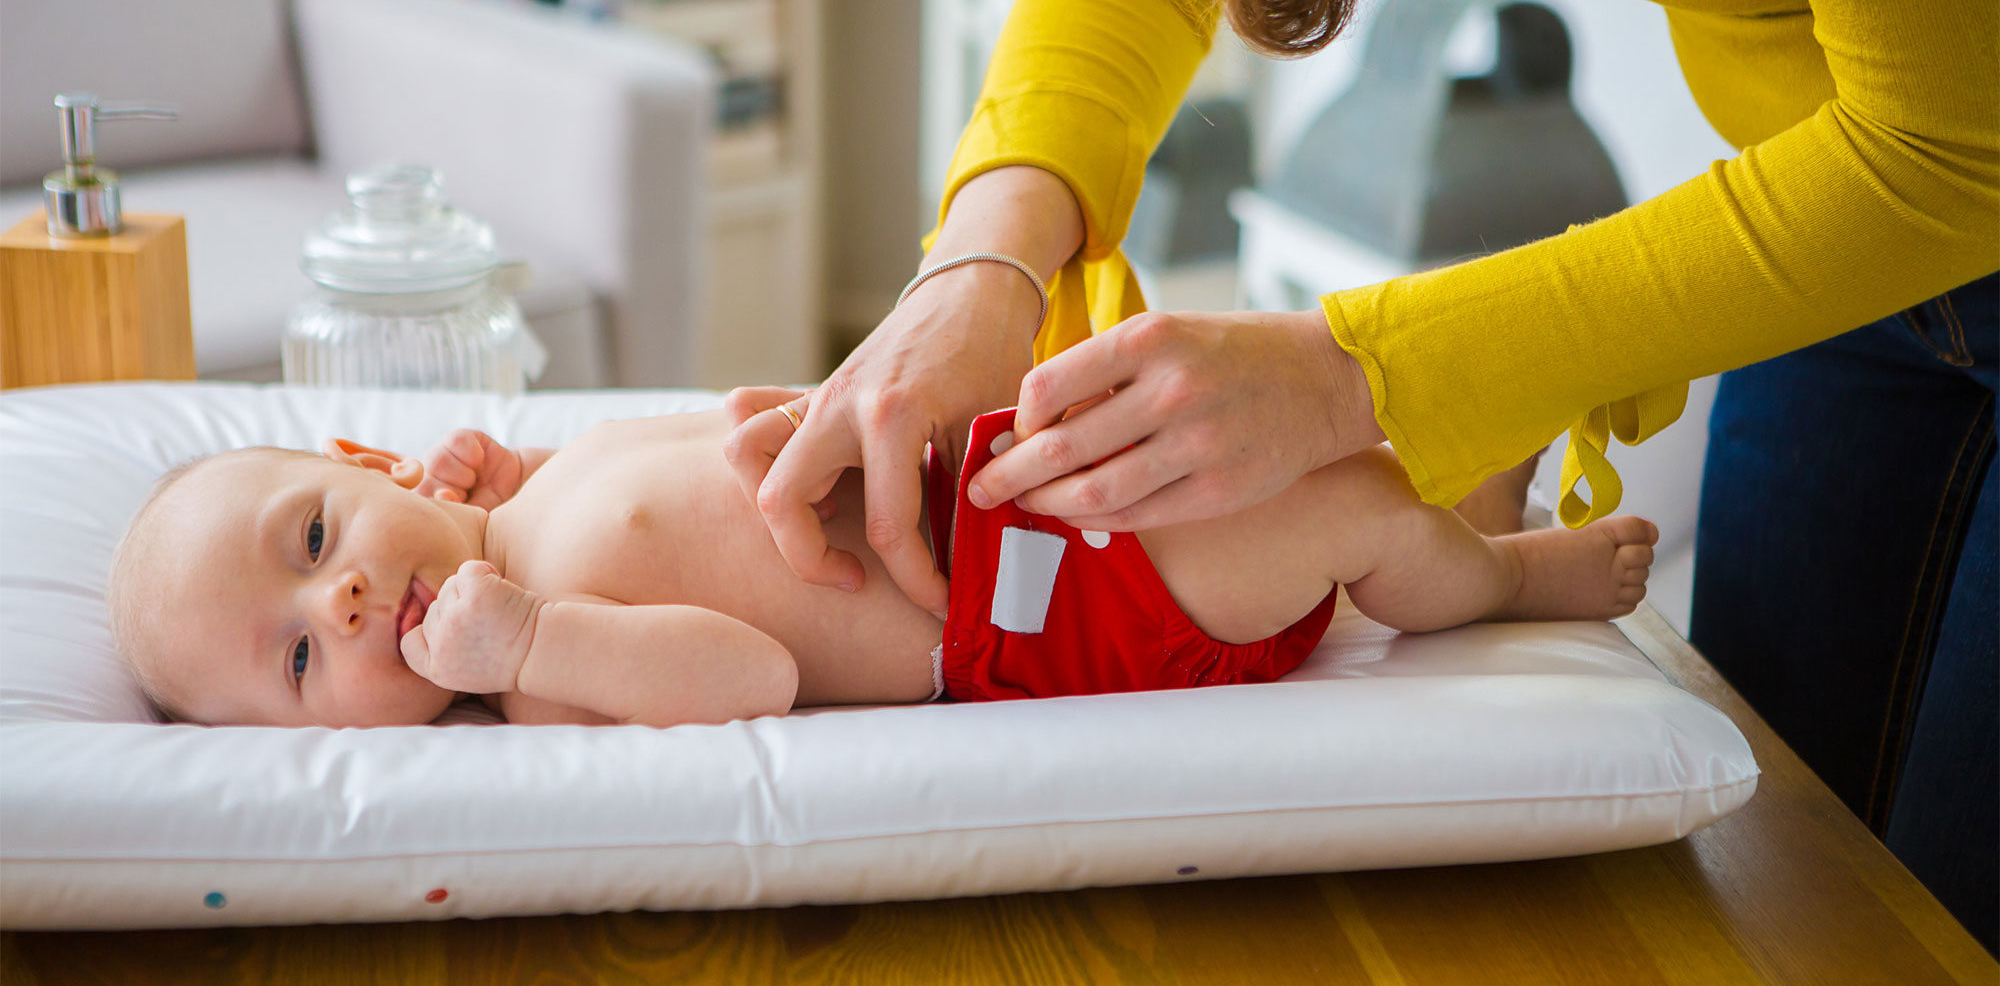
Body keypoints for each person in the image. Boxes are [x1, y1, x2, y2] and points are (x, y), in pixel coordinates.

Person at [725, 0, 1996, 951]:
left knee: (1938, 904)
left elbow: (1951, 146)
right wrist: (986, 251)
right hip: (1851, 270)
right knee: (1787, 891)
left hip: (1923, 176)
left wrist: (1357, 375)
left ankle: (1498, 552)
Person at [102, 406, 1655, 728]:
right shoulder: (540, 692)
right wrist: (532, 646)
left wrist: (508, 482)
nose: (347, 600)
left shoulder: (536, 488)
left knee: (1310, 434)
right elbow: (753, 675)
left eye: (315, 541)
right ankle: (1511, 576)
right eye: (302, 657)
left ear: (371, 466)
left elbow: (683, 445)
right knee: (1353, 522)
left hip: (994, 470)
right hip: (1043, 607)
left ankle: (1471, 498)